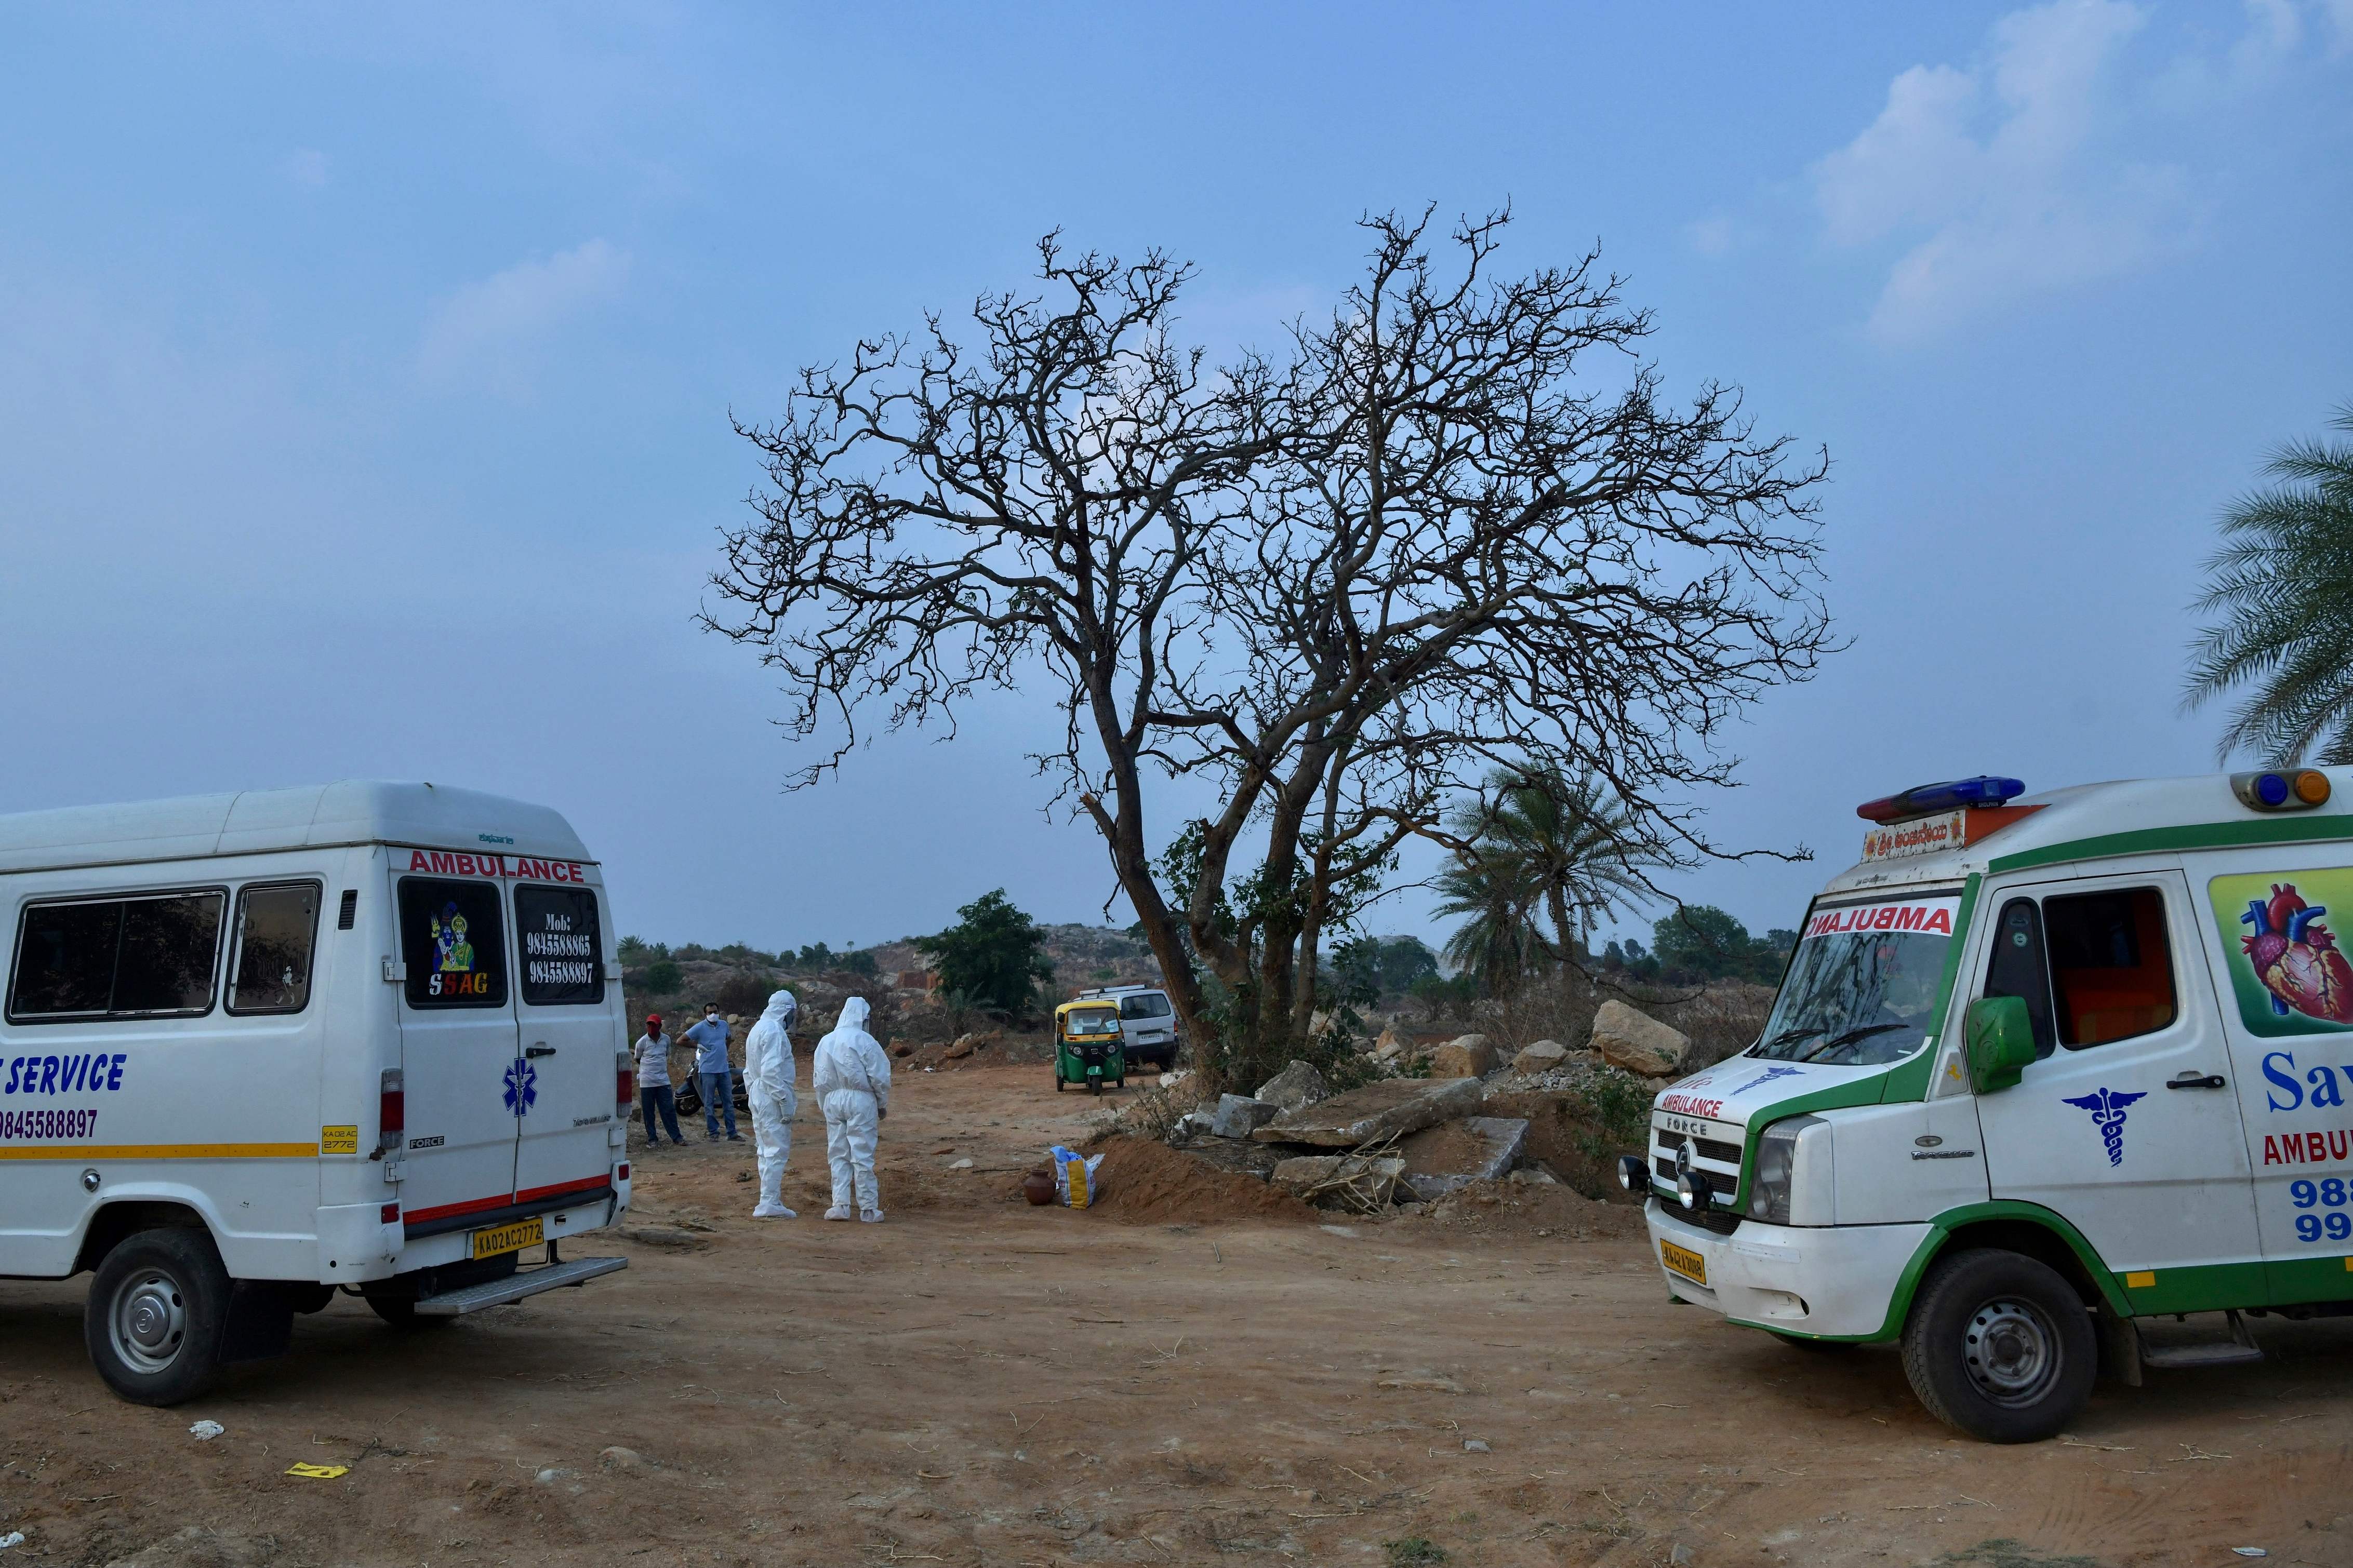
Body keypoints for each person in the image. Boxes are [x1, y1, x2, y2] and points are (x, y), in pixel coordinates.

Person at [811, 996, 892, 1223]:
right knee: (862, 1154)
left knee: (838, 1154)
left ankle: (840, 1205)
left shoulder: (826, 1041)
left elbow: (819, 1078)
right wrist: (881, 1103)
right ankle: (868, 1209)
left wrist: (823, 1104)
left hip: (833, 1100)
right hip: (860, 1100)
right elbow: (880, 1076)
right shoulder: (865, 1041)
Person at [743, 988, 800, 1219]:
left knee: (765, 1150)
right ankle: (769, 1202)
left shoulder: (757, 1029)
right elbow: (771, 1071)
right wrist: (783, 1099)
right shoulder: (775, 1031)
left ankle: (768, 1199)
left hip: (758, 1092)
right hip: (770, 1094)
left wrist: (752, 1096)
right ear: (786, 1012)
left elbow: (749, 1070)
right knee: (777, 1149)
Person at [684, 1003, 740, 1142]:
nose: (713, 1014)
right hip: (708, 1071)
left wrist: (725, 1050)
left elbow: (728, 1038)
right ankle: (713, 1133)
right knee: (709, 1103)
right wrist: (697, 1046)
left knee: (728, 1102)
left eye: (715, 1012)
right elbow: (681, 1040)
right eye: (710, 1013)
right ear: (705, 1014)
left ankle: (732, 1133)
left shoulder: (724, 1025)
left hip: (724, 1070)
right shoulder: (700, 1027)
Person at [633, 1014, 685, 1149]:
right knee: (649, 1112)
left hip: (663, 1081)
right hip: (647, 1083)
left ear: (660, 1026)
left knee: (668, 1109)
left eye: (654, 1025)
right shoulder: (642, 1042)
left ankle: (676, 1137)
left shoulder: (666, 1040)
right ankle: (652, 1138)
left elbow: (666, 1054)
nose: (651, 1027)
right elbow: (638, 1058)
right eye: (649, 1024)